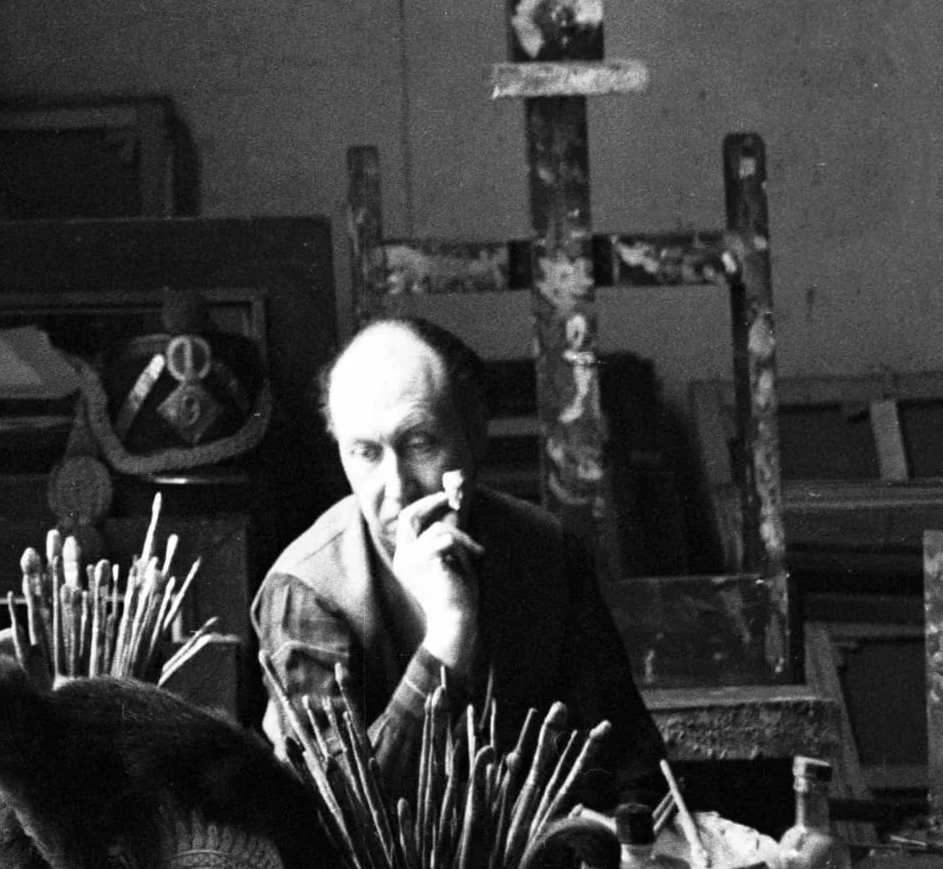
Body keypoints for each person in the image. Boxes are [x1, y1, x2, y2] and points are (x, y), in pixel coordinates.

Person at [253, 315, 664, 810]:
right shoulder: (307, 589)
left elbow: (630, 762)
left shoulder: (548, 549)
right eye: (365, 453)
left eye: (420, 444)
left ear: (473, 435)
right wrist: (446, 637)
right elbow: (342, 815)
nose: (397, 489)